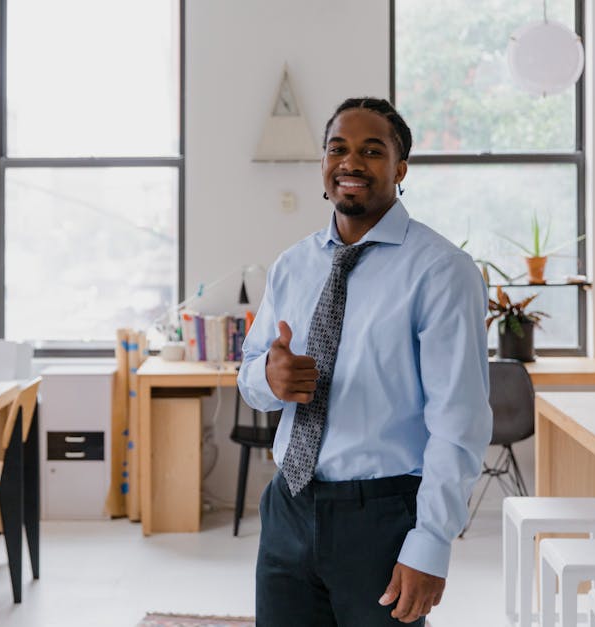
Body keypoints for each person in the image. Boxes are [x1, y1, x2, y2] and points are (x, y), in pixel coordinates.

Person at [237, 97, 493, 626]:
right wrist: (269, 376)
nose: (351, 162)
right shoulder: (292, 265)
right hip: (289, 505)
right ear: (324, 165)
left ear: (400, 169)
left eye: (372, 151)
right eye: (338, 149)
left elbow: (459, 424)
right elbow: (250, 375)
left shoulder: (442, 271)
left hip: (382, 519)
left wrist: (430, 543)